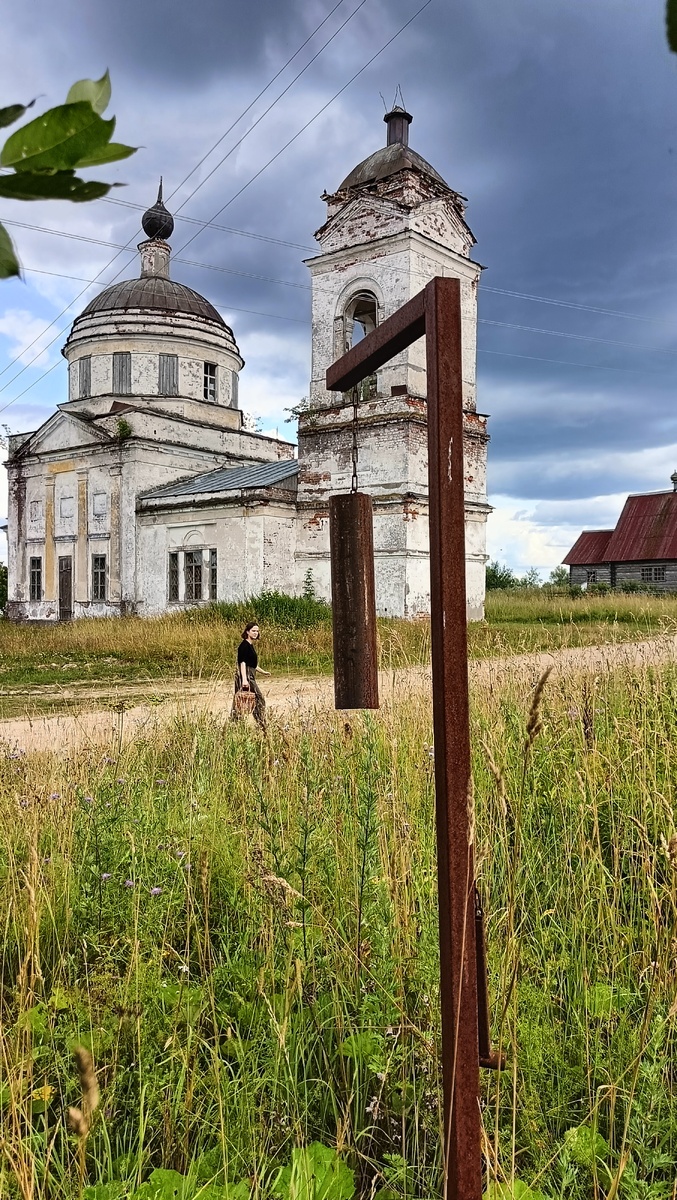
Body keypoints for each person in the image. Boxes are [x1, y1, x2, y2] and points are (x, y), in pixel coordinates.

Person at [232, 621, 270, 728]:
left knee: (242, 700)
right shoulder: (244, 645)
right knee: (258, 698)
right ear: (247, 632)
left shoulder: (250, 645)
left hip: (249, 675)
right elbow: (242, 663)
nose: (255, 633)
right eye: (253, 631)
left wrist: (263, 672)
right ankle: (261, 722)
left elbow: (252, 664)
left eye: (257, 631)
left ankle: (236, 723)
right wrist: (244, 679)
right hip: (246, 676)